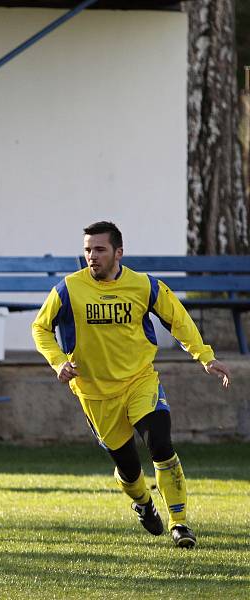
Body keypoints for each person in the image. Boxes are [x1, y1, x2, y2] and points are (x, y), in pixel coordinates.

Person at [32, 221, 231, 549]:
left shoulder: (144, 286)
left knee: (161, 444)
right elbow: (40, 328)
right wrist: (58, 361)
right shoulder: (68, 289)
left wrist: (205, 357)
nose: (91, 257)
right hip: (94, 393)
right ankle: (142, 502)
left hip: (140, 381)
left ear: (118, 253)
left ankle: (180, 523)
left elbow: (177, 319)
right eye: (87, 250)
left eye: (99, 250)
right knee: (127, 467)